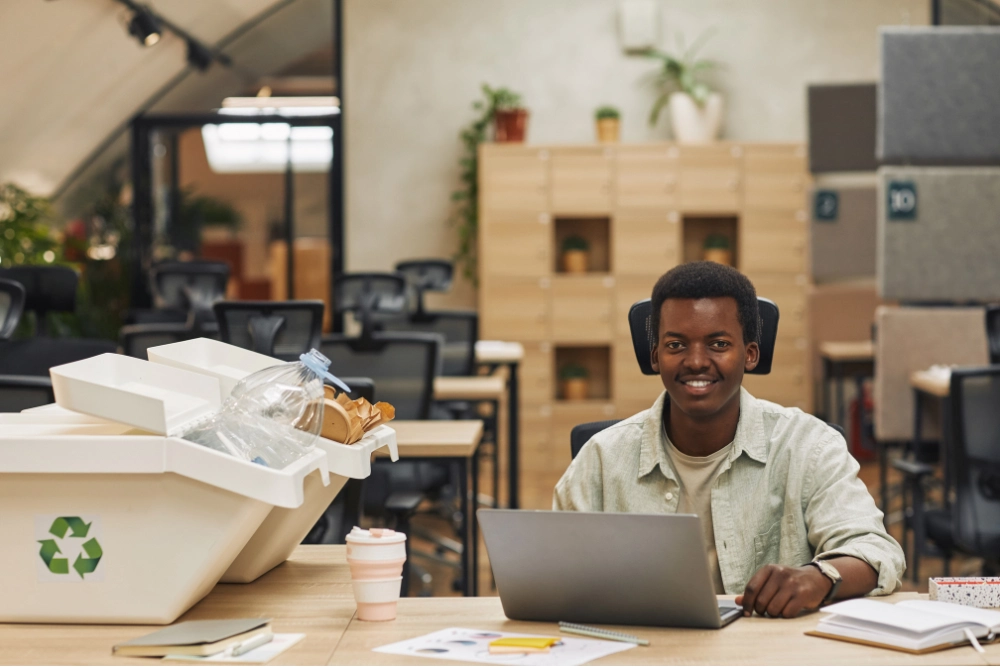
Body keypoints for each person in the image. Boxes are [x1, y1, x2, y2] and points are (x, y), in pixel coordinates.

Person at [553, 262, 904, 619]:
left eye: (718, 344)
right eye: (676, 345)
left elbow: (876, 551)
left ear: (750, 354)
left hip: (766, 652)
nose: (696, 361)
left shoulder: (809, 446)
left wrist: (819, 578)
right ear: (655, 356)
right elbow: (552, 571)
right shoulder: (601, 457)